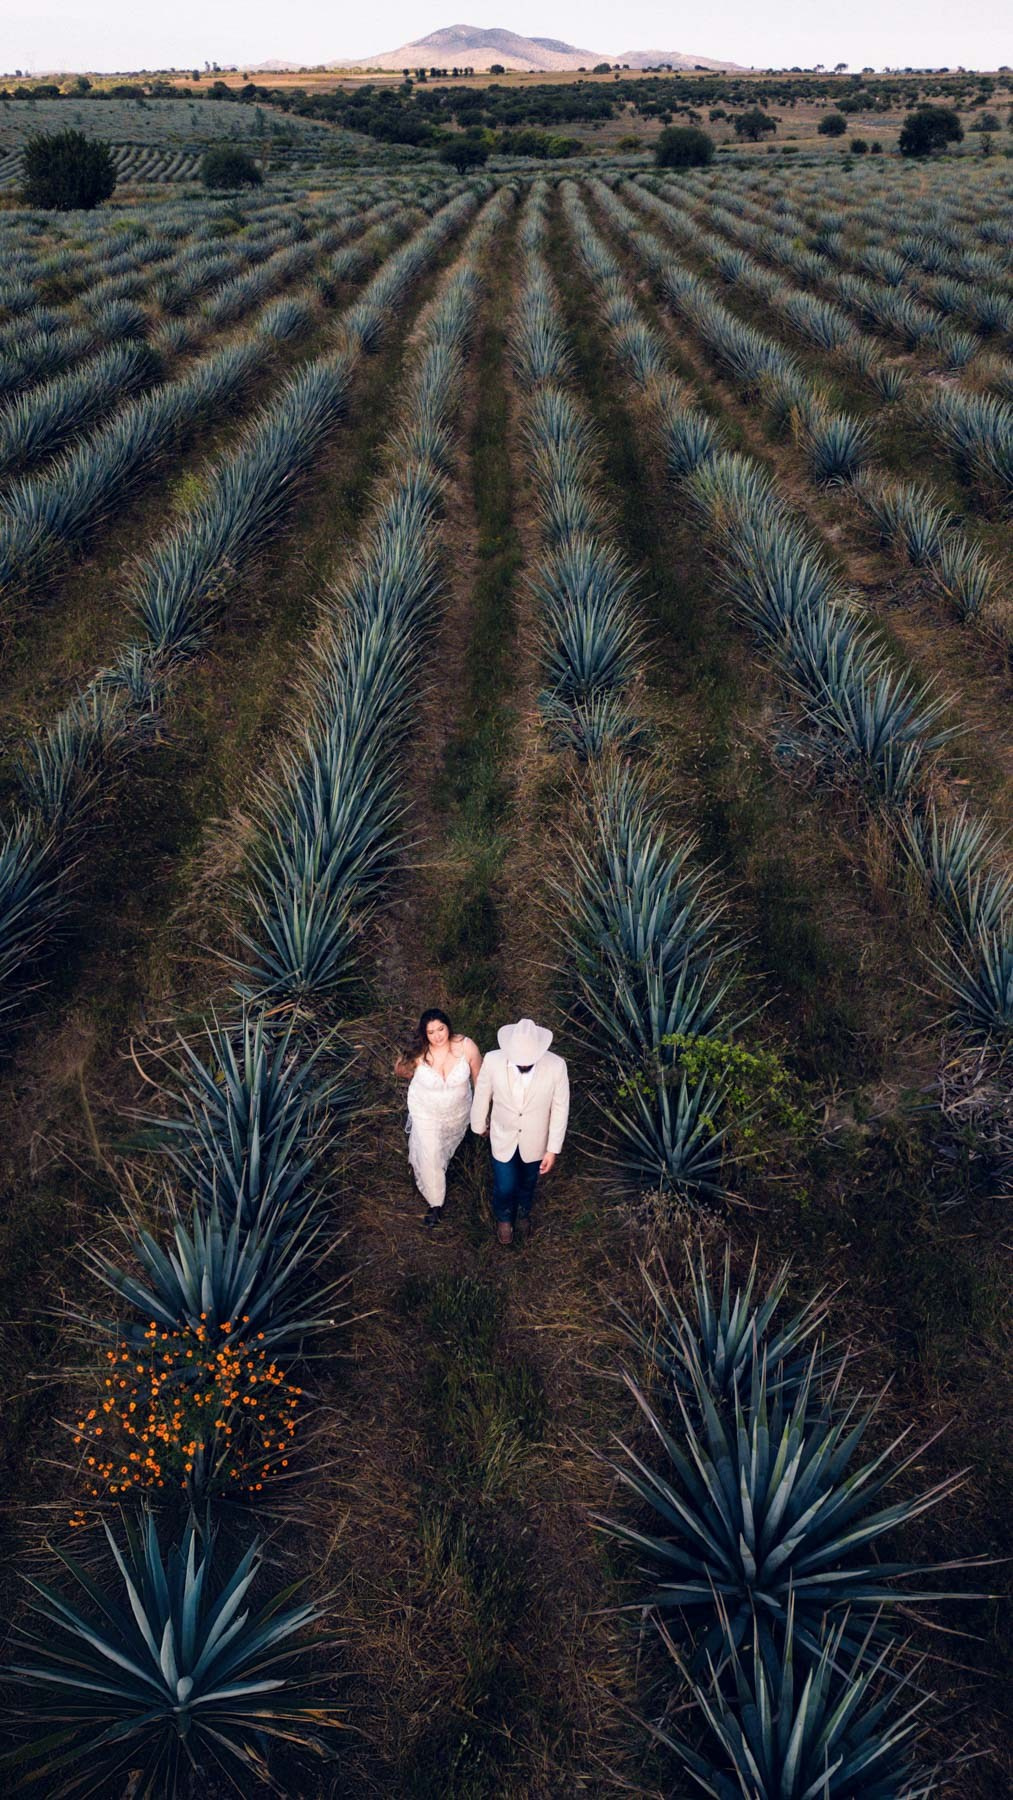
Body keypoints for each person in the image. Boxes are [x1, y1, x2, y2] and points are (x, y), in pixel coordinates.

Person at [470, 1017, 569, 1246]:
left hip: (536, 1140)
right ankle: (504, 1218)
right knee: (505, 1184)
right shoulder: (493, 1060)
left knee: (528, 1182)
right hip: (502, 1135)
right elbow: (483, 1092)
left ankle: (523, 1213)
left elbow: (560, 1108)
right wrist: (478, 1125)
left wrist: (552, 1149)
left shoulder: (556, 1066)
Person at [395, 1010, 482, 1226]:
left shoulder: (466, 1046)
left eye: (441, 1029)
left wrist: (482, 1113)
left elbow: (480, 1079)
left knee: (442, 1148)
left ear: (448, 1026)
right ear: (425, 1034)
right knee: (431, 1153)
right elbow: (401, 1071)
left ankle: (424, 1163)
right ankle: (435, 1203)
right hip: (426, 1111)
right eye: (431, 1032)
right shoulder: (420, 1052)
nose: (437, 1036)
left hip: (457, 1114)